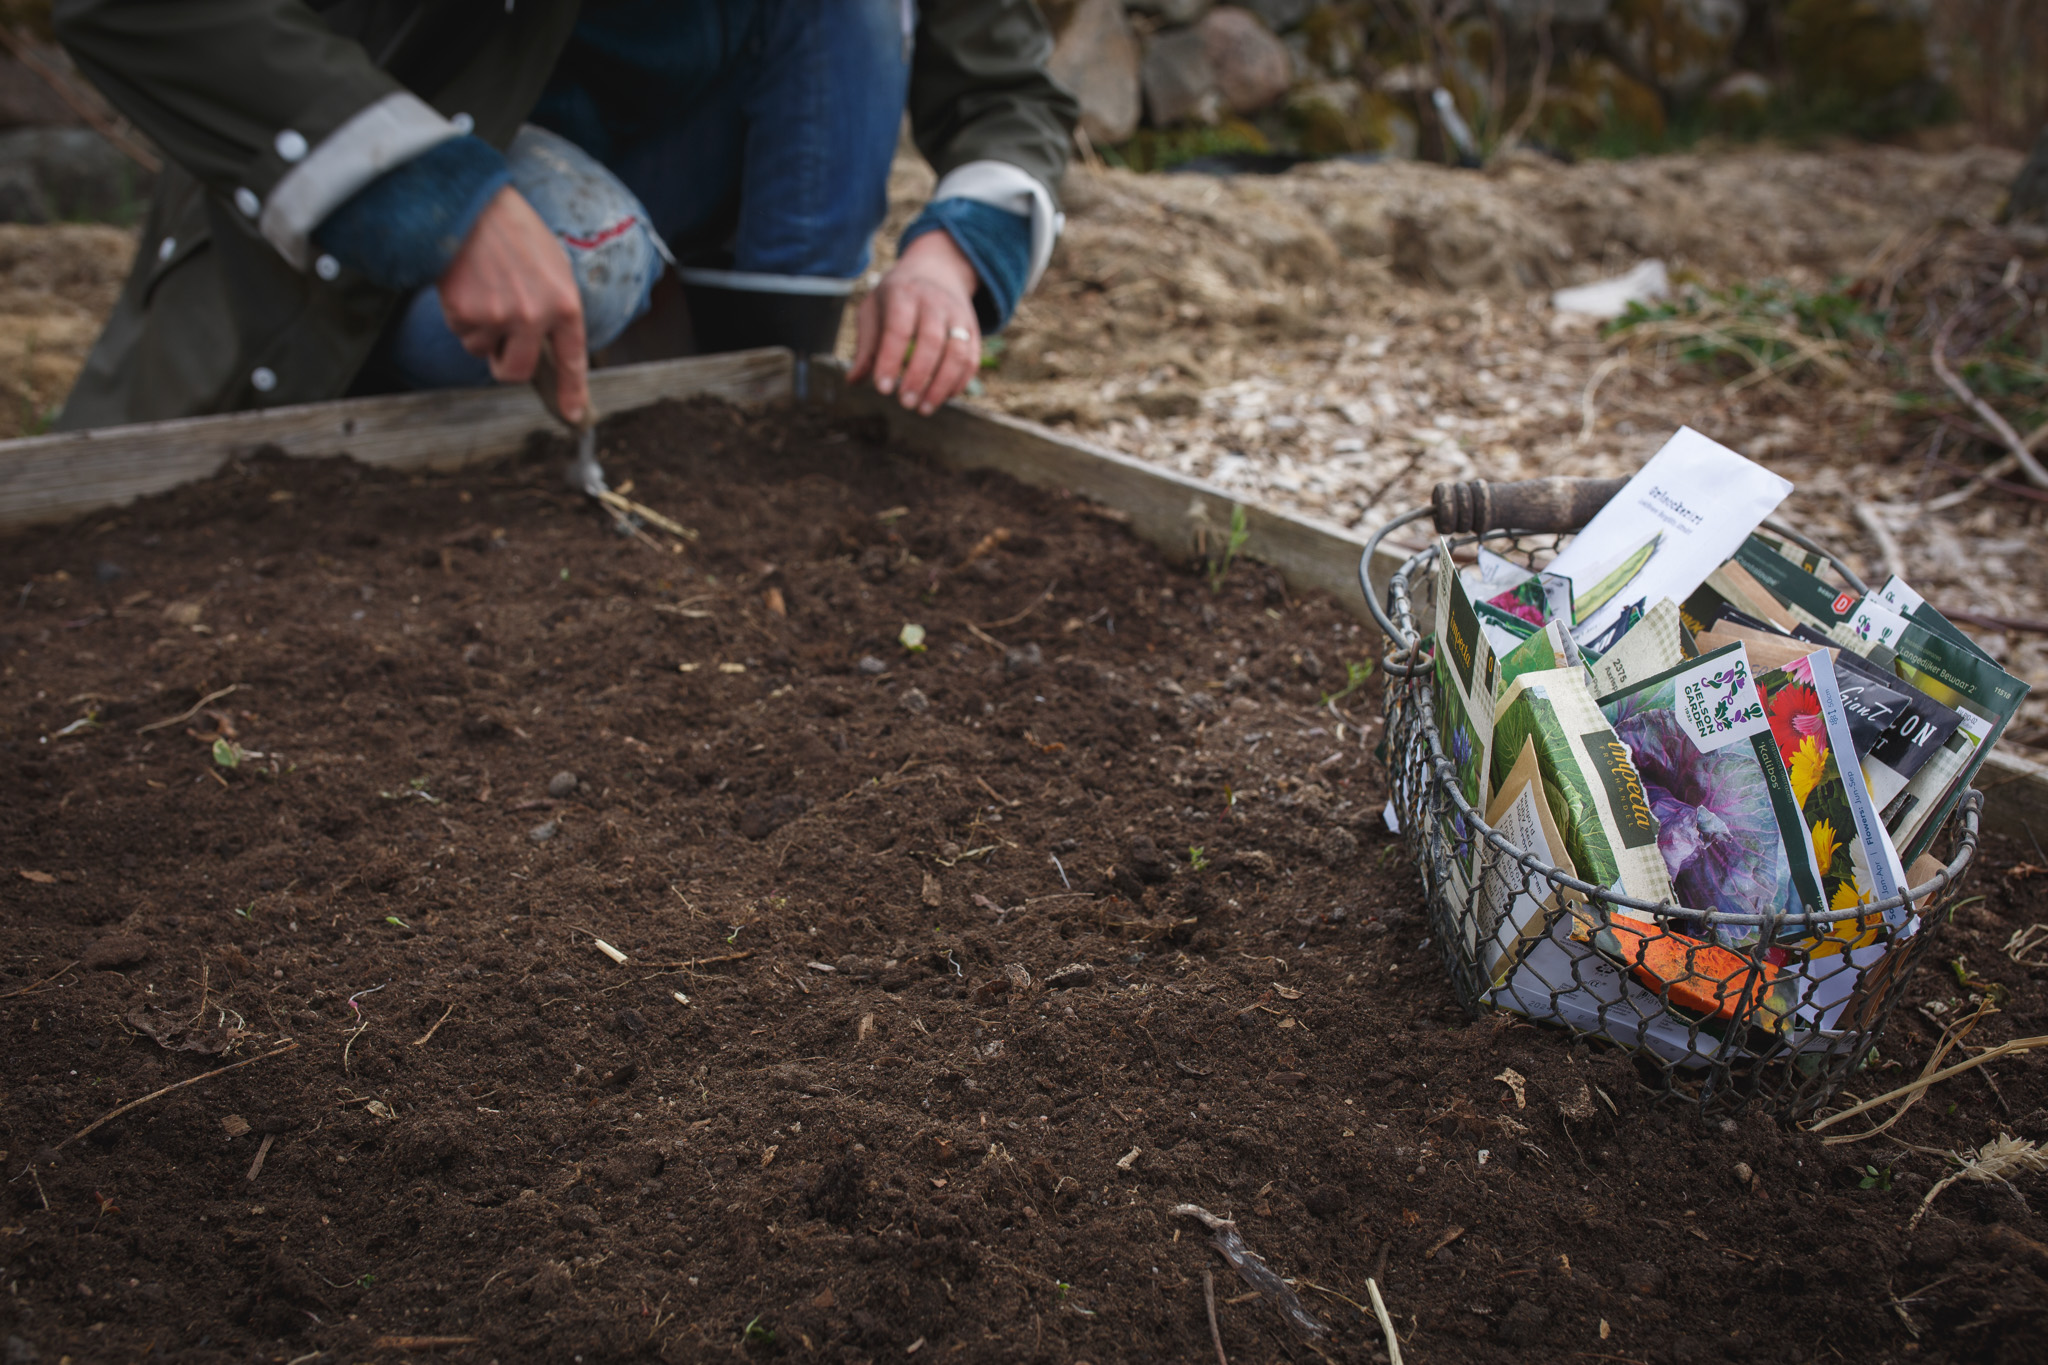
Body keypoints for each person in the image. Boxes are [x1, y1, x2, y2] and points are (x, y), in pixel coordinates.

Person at [49, 0, 1077, 433]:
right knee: (595, 259)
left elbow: (1003, 84)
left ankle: (757, 422)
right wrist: (440, 199)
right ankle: (456, 451)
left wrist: (952, 256)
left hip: (663, 188)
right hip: (404, 203)